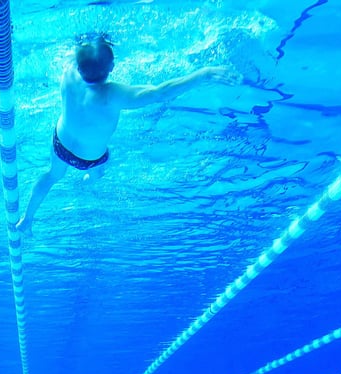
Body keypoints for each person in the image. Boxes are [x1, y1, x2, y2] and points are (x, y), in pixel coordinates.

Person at [15, 34, 239, 237]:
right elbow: (160, 93)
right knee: (98, 173)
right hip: (90, 159)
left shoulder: (69, 73)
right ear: (112, 67)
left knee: (52, 176)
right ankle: (86, 183)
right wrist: (203, 74)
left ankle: (27, 219)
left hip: (60, 144)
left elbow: (81, 55)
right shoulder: (112, 94)